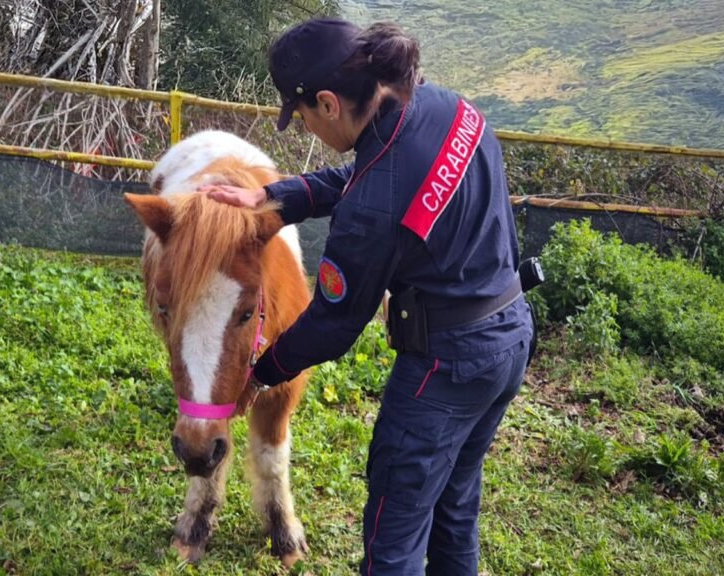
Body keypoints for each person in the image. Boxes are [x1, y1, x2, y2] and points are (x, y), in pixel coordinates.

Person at [199, 17, 535, 576]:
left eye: (302, 118)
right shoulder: (445, 107)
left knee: (393, 543)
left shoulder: (372, 205)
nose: (306, 131)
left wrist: (259, 373)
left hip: (443, 371)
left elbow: (333, 323)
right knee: (454, 510)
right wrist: (269, 195)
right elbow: (366, 178)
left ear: (328, 103)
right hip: (507, 338)